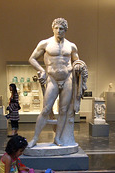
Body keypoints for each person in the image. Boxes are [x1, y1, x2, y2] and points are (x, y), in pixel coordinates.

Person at [28, 18, 87, 148]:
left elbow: (76, 62)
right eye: (56, 28)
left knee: (63, 110)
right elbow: (32, 59)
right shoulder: (45, 43)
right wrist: (41, 70)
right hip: (53, 79)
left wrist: (78, 67)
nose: (58, 31)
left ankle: (58, 137)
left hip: (67, 79)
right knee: (46, 109)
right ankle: (35, 138)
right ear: (53, 28)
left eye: (61, 29)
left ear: (65, 30)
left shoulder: (71, 46)